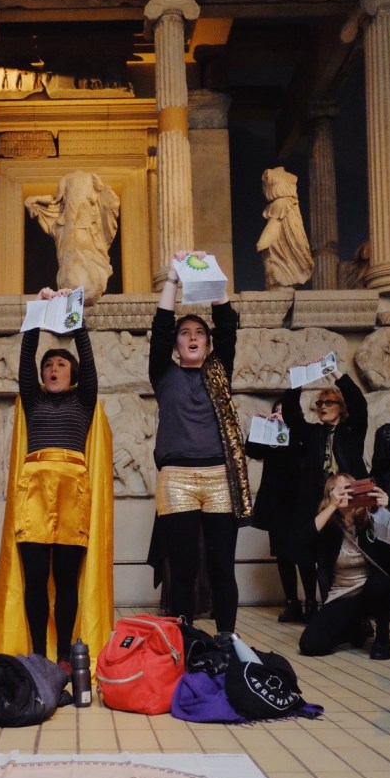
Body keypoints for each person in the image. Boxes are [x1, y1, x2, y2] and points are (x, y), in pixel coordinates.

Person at [0, 288, 113, 672]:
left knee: (66, 579)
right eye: (49, 365)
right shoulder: (33, 399)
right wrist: (40, 310)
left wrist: (74, 313)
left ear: (72, 374)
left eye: (61, 364)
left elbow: (87, 357)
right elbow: (26, 356)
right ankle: (39, 655)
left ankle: (62, 657)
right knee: (37, 578)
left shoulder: (84, 400)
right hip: (35, 491)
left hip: (72, 490)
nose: (53, 369)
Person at [148, 251, 251, 648]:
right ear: (176, 344)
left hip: (219, 478)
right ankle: (183, 640)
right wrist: (173, 280)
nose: (192, 337)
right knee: (184, 566)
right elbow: (160, 327)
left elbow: (227, 327)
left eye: (199, 333)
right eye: (185, 333)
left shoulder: (218, 371)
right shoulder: (164, 373)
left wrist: (213, 279)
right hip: (176, 479)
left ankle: (226, 639)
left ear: (207, 343)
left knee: (222, 565)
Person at [282, 365, 368, 621]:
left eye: (328, 402)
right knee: (321, 557)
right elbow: (291, 416)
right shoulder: (314, 433)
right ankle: (328, 610)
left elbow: (359, 403)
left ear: (340, 407)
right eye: (319, 403)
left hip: (351, 504)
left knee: (353, 553)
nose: (322, 407)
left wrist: (337, 374)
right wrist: (297, 382)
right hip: (319, 505)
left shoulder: (352, 430)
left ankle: (360, 614)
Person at [299, 473, 390, 660]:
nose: (344, 493)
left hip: (371, 590)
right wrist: (332, 506)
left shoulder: (370, 518)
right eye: (338, 490)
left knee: (381, 581)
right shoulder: (328, 525)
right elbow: (303, 541)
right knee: (310, 645)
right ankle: (353, 627)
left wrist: (385, 511)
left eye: (349, 489)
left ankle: (382, 637)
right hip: (343, 593)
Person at [245, 396, 309, 623]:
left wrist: (288, 425)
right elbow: (252, 451)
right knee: (283, 555)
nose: (279, 415)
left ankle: (311, 603)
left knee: (304, 554)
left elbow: (303, 453)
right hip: (277, 505)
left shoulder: (303, 433)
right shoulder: (270, 436)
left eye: (284, 411)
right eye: (277, 411)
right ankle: (291, 603)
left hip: (300, 503)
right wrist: (259, 427)